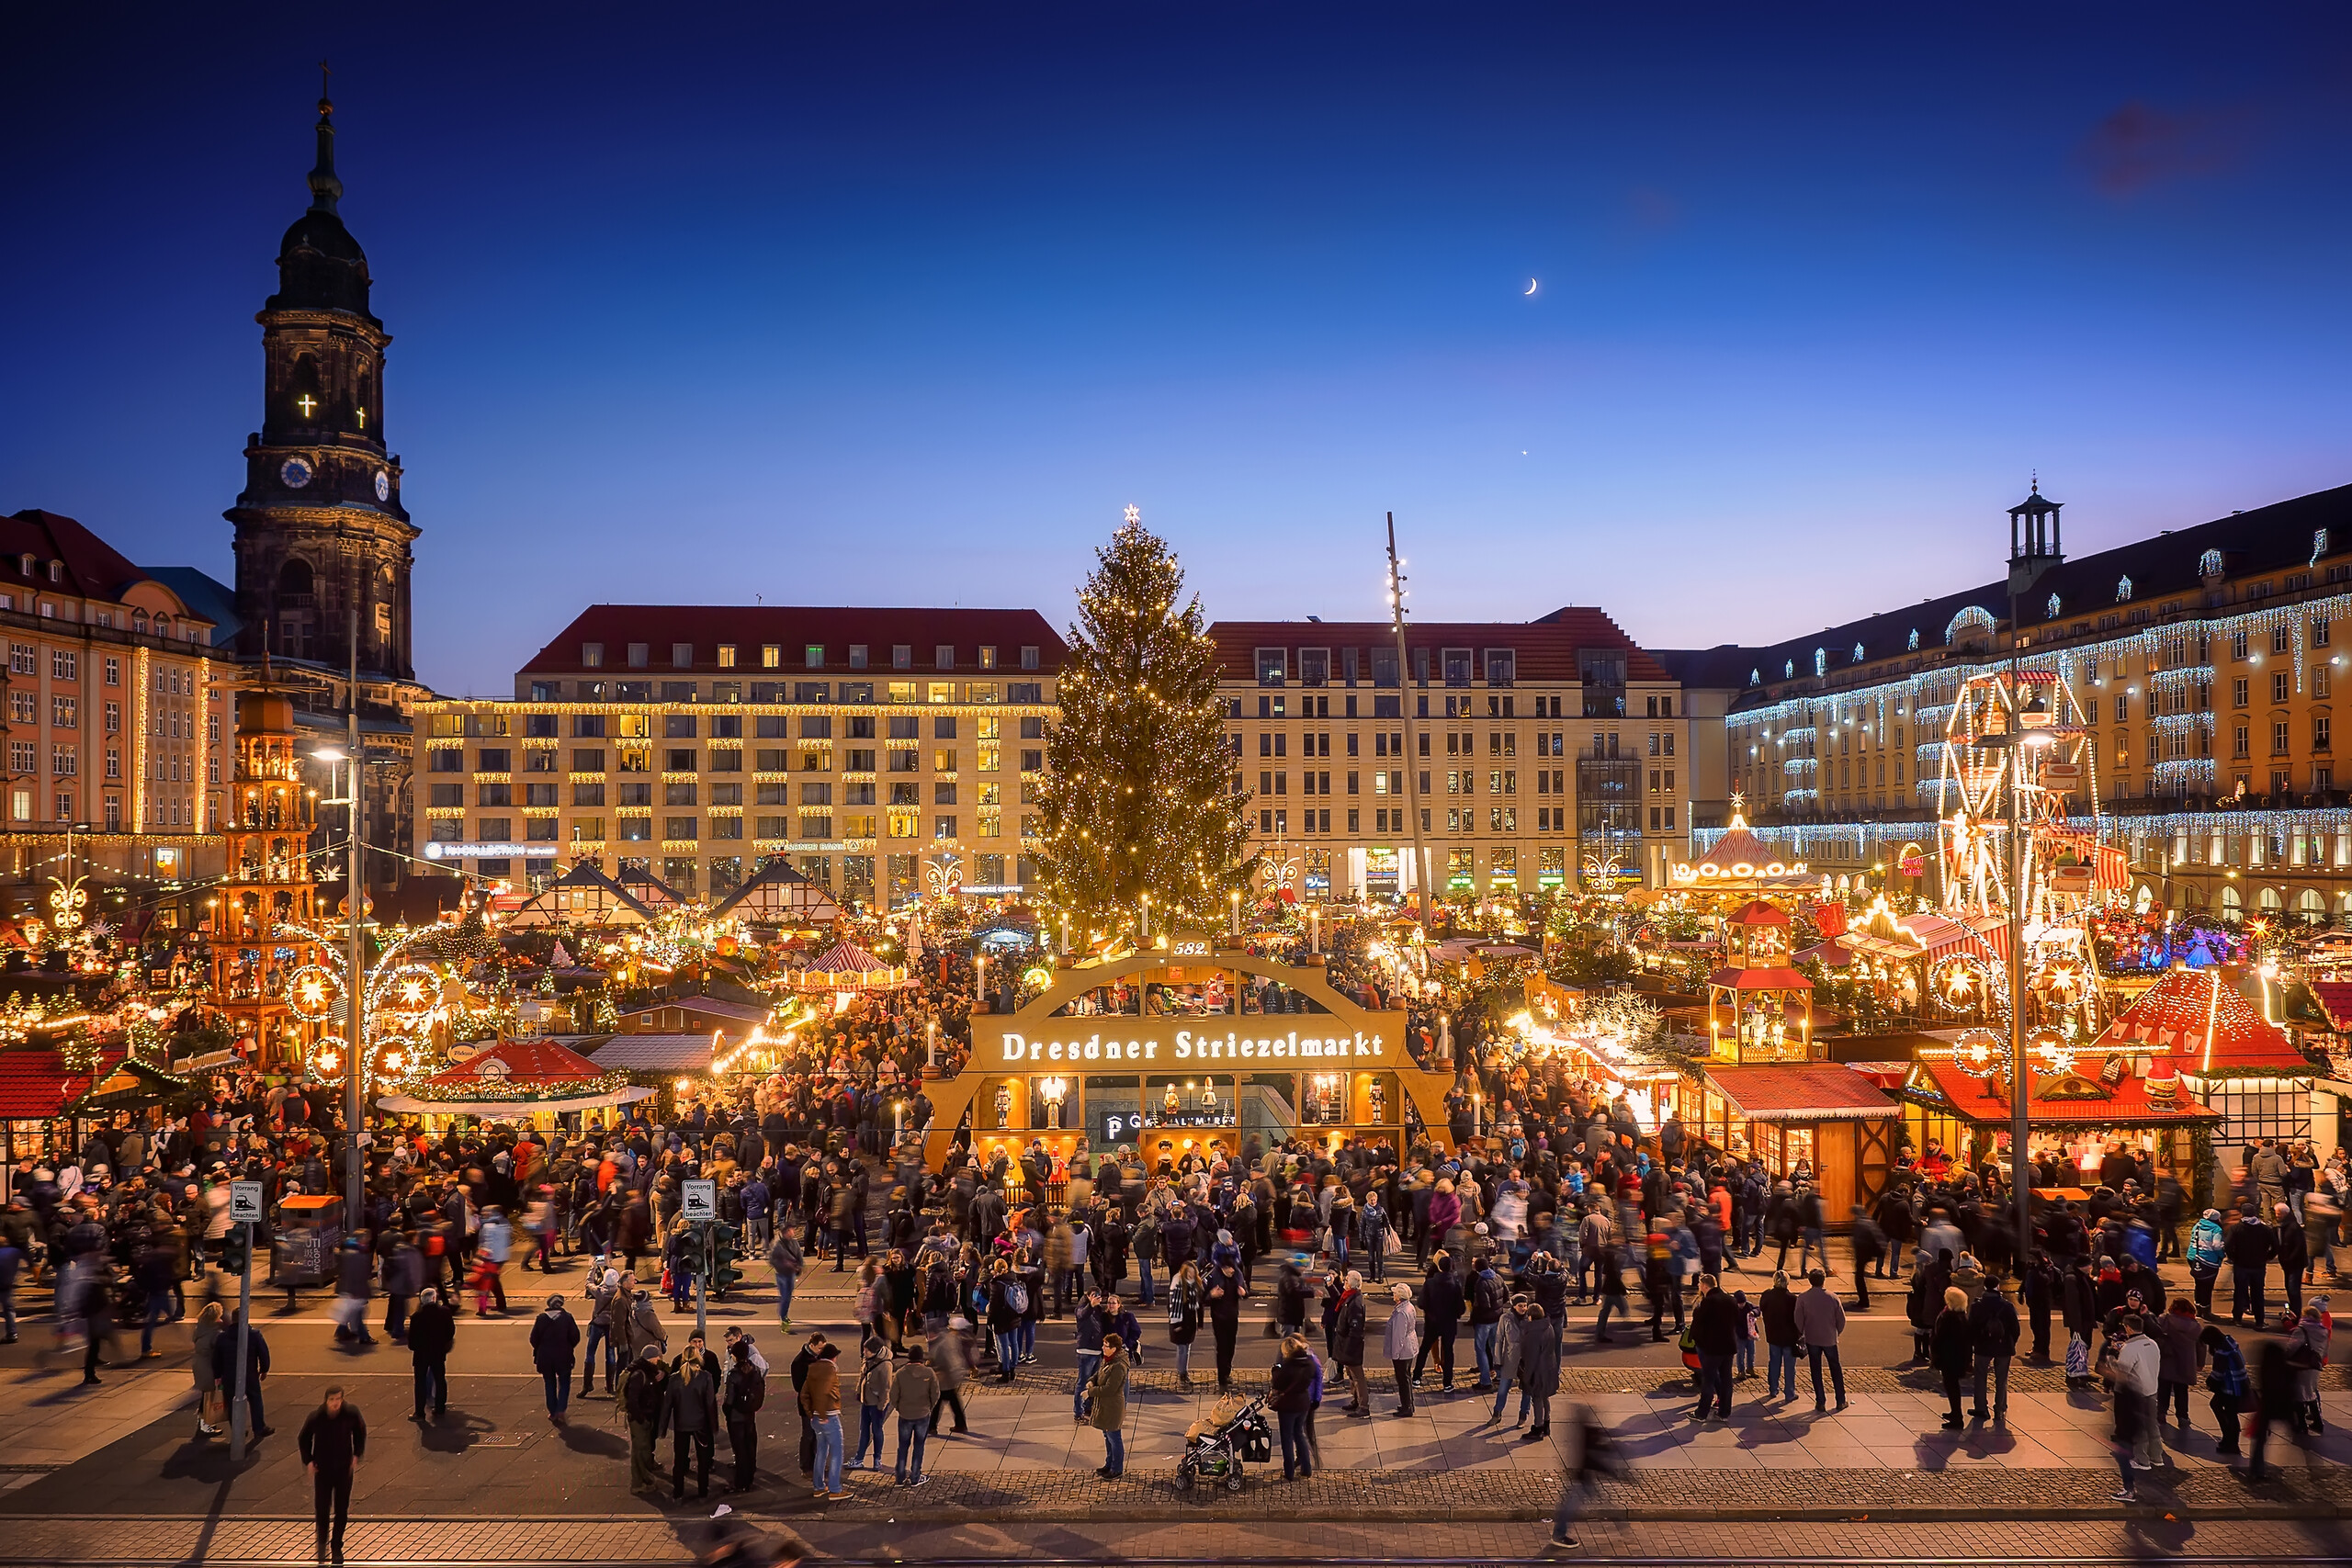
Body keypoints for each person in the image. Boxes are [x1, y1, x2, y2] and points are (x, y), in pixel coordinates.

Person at [299, 1385, 367, 1563]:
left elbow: (361, 1433)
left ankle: (337, 1546)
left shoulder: (350, 1413)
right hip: (323, 1469)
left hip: (344, 1469)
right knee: (322, 1509)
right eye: (332, 1400)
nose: (336, 1403)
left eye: (338, 1399)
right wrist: (309, 1461)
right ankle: (322, 1544)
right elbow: (304, 1438)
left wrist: (356, 1455)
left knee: (341, 1509)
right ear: (326, 1400)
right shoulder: (317, 1417)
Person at [1547, 1401, 1624, 1551]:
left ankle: (1621, 1524)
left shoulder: (1583, 1430)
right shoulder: (1588, 1433)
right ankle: (1558, 1535)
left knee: (1591, 1501)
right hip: (1581, 1478)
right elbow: (1593, 1457)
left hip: (1581, 1476)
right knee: (1570, 1507)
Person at [662, 1337, 721, 1501]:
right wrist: (713, 1425)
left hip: (681, 1424)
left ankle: (678, 1491)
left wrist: (662, 1427)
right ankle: (703, 1490)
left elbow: (668, 1404)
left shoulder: (674, 1378)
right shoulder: (705, 1377)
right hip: (700, 1425)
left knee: (680, 1460)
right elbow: (710, 1404)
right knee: (703, 1461)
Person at [2110, 1313, 2159, 1496]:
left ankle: (2142, 1460)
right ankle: (2157, 1457)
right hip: (2152, 1389)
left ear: (2128, 1328)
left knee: (2141, 1430)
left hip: (2138, 1393)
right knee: (2152, 1426)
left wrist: (2114, 1356)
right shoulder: (2152, 1344)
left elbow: (2121, 1371)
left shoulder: (2130, 1349)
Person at [212, 1308, 273, 1441]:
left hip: (229, 1377)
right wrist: (264, 1370)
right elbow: (263, 1353)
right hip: (249, 1375)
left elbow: (216, 1358)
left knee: (232, 1404)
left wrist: (217, 1375)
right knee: (255, 1400)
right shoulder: (254, 1334)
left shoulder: (222, 1337)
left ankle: (238, 1430)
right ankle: (259, 1428)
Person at [1792, 1269, 1847, 1411]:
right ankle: (1840, 1400)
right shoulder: (1833, 1297)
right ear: (1824, 1280)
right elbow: (1841, 1320)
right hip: (1829, 1339)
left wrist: (1802, 1332)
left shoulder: (1803, 1298)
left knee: (1815, 1369)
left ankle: (1820, 1401)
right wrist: (1836, 1332)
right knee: (1835, 1368)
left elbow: (1798, 1319)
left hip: (1812, 1338)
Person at [1967, 1271, 2018, 1422]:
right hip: (2003, 1346)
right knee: (2002, 1379)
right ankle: (2000, 1409)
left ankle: (1981, 1408)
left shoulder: (1977, 1306)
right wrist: (2010, 1342)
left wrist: (1974, 1344)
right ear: (1998, 1286)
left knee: (1980, 1377)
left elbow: (1971, 1328)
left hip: (1983, 1346)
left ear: (1985, 1287)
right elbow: (2015, 1329)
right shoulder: (2007, 1306)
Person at [1690, 1274, 1739, 1422]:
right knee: (1726, 1381)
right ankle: (1724, 1413)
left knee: (1709, 1381)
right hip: (1728, 1346)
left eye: (1700, 1284)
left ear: (1705, 1286)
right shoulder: (1731, 1300)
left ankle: (1702, 1413)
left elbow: (1698, 1325)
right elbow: (1735, 1320)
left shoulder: (1708, 1302)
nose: (1699, 1287)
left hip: (1712, 1348)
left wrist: (1699, 1342)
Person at [621, 1345, 670, 1495]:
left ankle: (644, 1479)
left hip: (645, 1416)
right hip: (640, 1419)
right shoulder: (639, 1375)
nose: (658, 1361)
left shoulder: (647, 1371)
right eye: (657, 1358)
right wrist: (641, 1418)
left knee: (642, 1450)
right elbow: (633, 1401)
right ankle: (638, 1483)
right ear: (652, 1358)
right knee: (640, 1451)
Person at [890, 1341, 939, 1487]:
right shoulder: (929, 1373)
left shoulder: (900, 1373)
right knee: (919, 1446)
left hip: (905, 1415)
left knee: (902, 1447)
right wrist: (928, 1407)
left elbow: (893, 1395)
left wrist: (900, 1408)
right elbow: (935, 1394)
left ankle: (899, 1477)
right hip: (922, 1415)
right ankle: (915, 1477)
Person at [802, 1342, 846, 1501]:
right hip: (829, 1416)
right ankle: (835, 1489)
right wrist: (822, 1414)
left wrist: (811, 1414)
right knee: (837, 1453)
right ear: (833, 1357)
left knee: (821, 1451)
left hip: (816, 1418)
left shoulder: (812, 1368)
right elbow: (823, 1392)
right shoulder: (830, 1370)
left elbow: (804, 1395)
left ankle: (819, 1487)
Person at [722, 1336, 766, 1494]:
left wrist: (727, 1412)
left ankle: (740, 1482)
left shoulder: (734, 1375)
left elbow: (729, 1401)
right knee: (750, 1447)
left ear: (734, 1355)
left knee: (740, 1450)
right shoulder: (754, 1371)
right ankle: (749, 1479)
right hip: (749, 1415)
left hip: (736, 1417)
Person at [1270, 1334, 1317, 1482]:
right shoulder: (1309, 1363)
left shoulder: (1287, 1366)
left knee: (1287, 1439)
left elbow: (1276, 1383)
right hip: (1303, 1402)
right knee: (1299, 1435)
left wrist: (1275, 1370)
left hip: (1288, 1405)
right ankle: (1306, 1468)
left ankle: (1289, 1472)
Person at [407, 1287, 456, 1425]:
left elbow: (412, 1341)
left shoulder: (417, 1316)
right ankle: (440, 1408)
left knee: (420, 1383)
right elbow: (450, 1331)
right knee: (440, 1379)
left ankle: (420, 1412)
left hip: (421, 1354)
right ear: (434, 1298)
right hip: (438, 1352)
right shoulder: (444, 1312)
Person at [530, 1292, 581, 1424]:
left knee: (549, 1383)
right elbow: (575, 1337)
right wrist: (568, 1346)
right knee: (564, 1383)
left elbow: (533, 1339)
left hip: (545, 1357)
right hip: (564, 1356)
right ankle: (561, 1409)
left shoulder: (541, 1318)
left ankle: (552, 1412)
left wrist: (541, 1347)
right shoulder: (567, 1318)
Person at [1930, 1285, 1973, 1429]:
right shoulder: (1961, 1316)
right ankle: (1955, 1412)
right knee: (1952, 1386)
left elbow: (1940, 1338)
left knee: (1951, 1386)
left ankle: (1957, 1416)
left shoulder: (1950, 1318)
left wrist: (1935, 1354)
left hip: (1950, 1358)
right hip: (1957, 1357)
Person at [1090, 1333, 1129, 1478]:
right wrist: (1092, 1381)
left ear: (1114, 1348)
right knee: (1108, 1436)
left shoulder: (1118, 1366)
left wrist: (1090, 1392)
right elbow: (1099, 1374)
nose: (1103, 1348)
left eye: (1106, 1346)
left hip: (1113, 1407)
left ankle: (1117, 1468)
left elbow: (1110, 1389)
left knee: (1114, 1437)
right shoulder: (1108, 1360)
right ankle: (1109, 1463)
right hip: (1105, 1406)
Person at [1759, 1269, 1799, 1404]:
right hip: (1789, 1337)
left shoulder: (1767, 1295)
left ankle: (1773, 1389)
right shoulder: (1793, 1299)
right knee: (1789, 1366)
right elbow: (1797, 1319)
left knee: (1774, 1363)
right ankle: (1790, 1392)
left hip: (1773, 1335)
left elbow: (1762, 1309)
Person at [1384, 1281, 1421, 1417]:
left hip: (1403, 1350)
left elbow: (1398, 1336)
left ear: (1399, 1296)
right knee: (1406, 1377)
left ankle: (1407, 1407)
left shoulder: (1400, 1313)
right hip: (1409, 1347)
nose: (1393, 1295)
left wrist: (1395, 1354)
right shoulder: (1409, 1307)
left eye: (1394, 1293)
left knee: (1403, 1379)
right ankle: (1408, 1404)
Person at [192, 1302, 225, 1438]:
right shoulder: (215, 1333)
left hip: (199, 1365)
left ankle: (202, 1422)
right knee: (208, 1397)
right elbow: (218, 1353)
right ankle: (205, 1425)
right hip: (208, 1368)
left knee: (205, 1395)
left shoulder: (200, 1329)